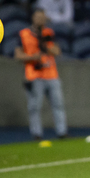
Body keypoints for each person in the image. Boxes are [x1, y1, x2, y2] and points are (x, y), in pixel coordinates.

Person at [14, 8, 68, 140]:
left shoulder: (48, 33)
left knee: (58, 104)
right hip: (34, 75)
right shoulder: (24, 34)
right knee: (35, 107)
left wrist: (46, 46)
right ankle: (36, 134)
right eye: (38, 17)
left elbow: (57, 52)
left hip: (51, 74)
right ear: (32, 18)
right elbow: (18, 55)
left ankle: (62, 132)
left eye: (43, 17)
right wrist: (33, 57)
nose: (40, 20)